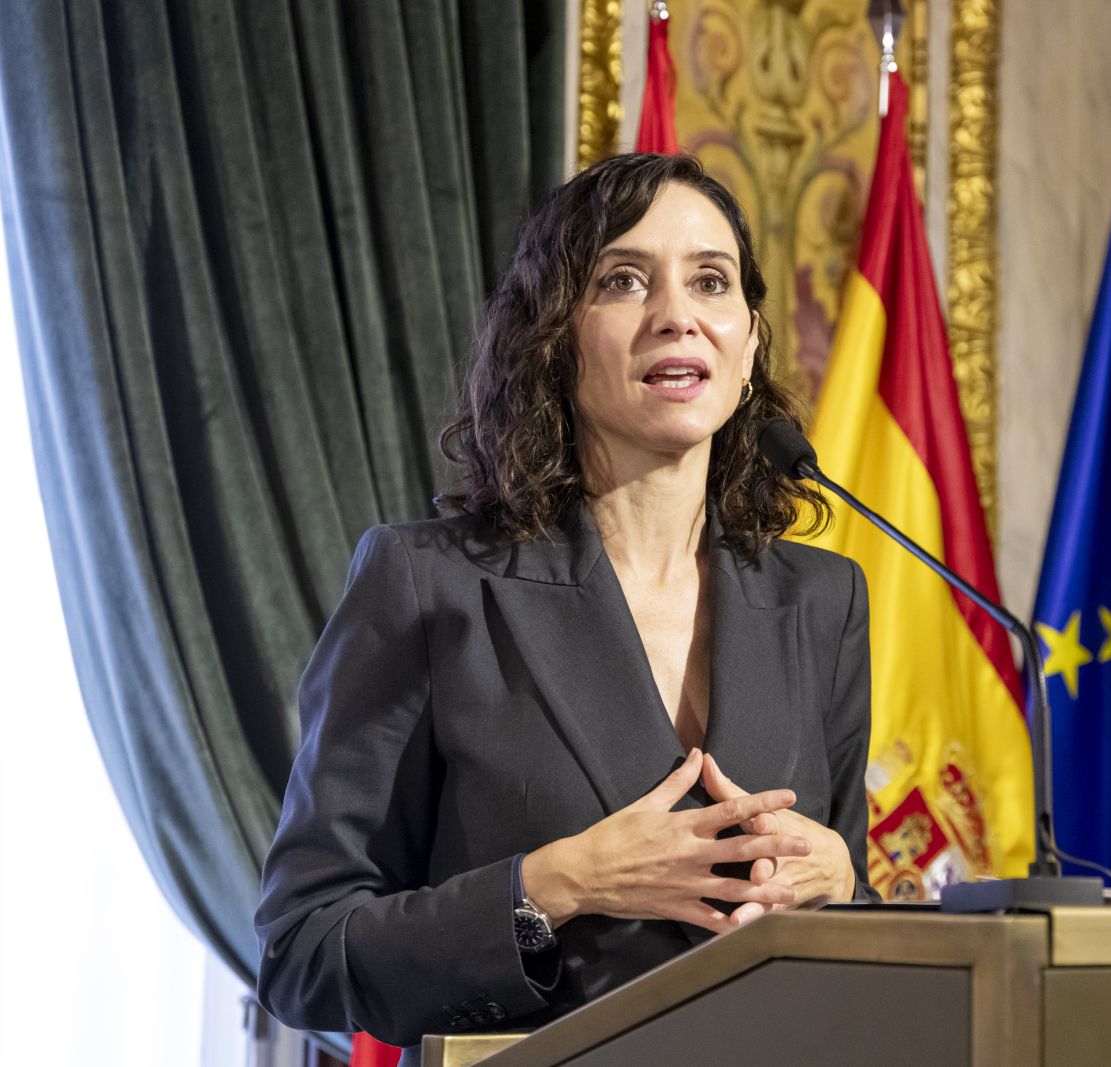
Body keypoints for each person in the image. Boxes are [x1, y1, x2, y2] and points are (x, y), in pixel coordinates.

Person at [254, 153, 874, 1060]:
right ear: (554, 337)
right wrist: (553, 884)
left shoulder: (821, 600)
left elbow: (843, 935)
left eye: (711, 281)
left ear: (746, 347)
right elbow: (303, 952)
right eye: (624, 280)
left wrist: (842, 879)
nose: (677, 315)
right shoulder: (428, 583)